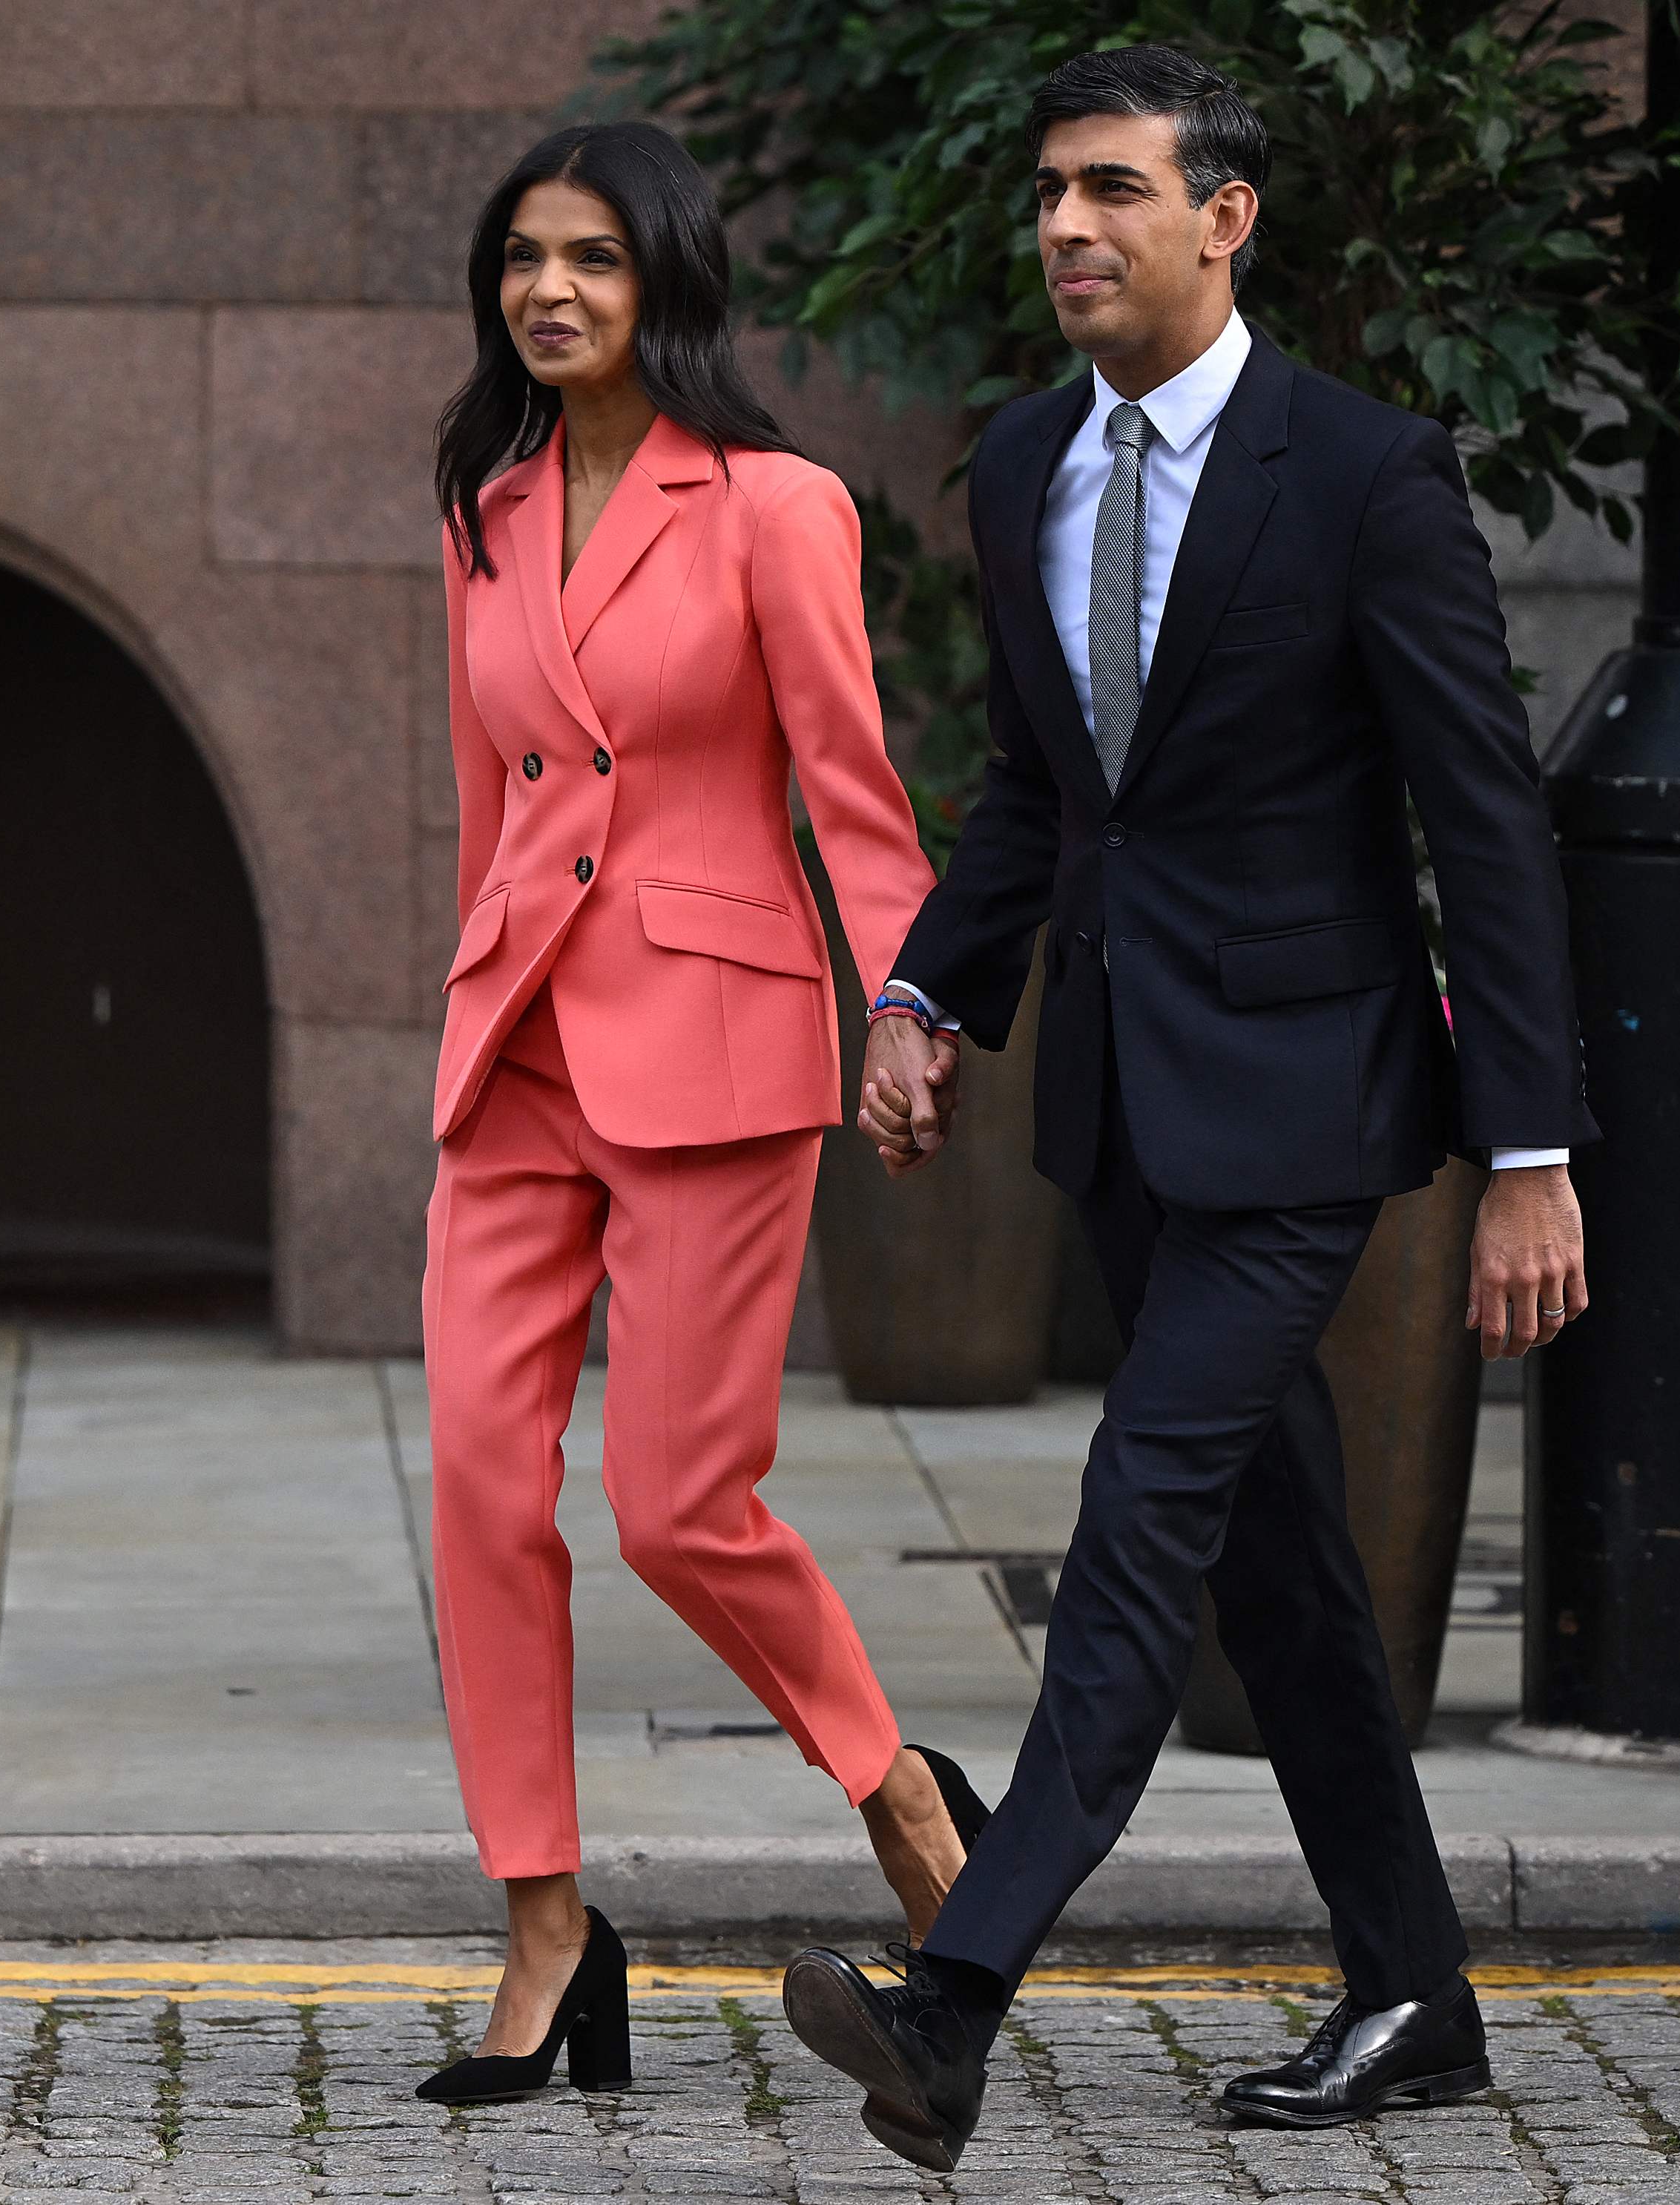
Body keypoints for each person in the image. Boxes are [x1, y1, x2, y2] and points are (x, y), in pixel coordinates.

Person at [777, 47, 1598, 2169]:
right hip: (1124, 1108)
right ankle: (1412, 1985)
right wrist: (926, 991)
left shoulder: (1363, 474)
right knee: (1286, 1568)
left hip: (1311, 1108)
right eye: (1049, 190)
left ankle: (954, 1994)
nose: (1065, 226)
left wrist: (1526, 1147)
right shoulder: (1028, 458)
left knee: (1139, 1517)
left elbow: (1477, 822)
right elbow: (1045, 795)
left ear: (1225, 218)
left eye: (1111, 190)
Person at [417, 119, 989, 2107]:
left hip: (716, 1051)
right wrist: (468, 1002)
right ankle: (546, 1922)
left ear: (663, 277)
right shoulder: (478, 509)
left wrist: (904, 1004)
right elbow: (496, 808)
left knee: (675, 1501)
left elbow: (852, 787)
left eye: (589, 255)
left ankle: (897, 1787)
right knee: (481, 1489)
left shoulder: (771, 506)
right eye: (519, 258)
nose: (549, 289)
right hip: (518, 1060)